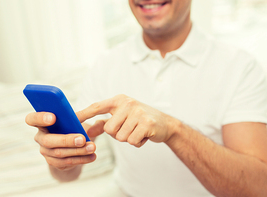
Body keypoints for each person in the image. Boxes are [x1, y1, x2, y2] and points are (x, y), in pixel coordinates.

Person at [25, 0, 267, 196]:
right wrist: (59, 158)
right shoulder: (105, 65)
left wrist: (174, 130)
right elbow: (67, 174)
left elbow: (257, 188)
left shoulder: (240, 67)